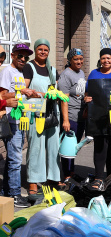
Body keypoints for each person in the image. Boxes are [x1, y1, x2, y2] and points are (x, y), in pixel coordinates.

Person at [23, 39, 61, 202]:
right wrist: (37, 94)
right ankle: (33, 181)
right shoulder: (29, 67)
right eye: (40, 49)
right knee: (36, 147)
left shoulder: (52, 70)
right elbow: (24, 89)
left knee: (53, 146)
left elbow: (57, 90)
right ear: (36, 50)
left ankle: (53, 178)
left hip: (52, 111)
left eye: (46, 49)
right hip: (35, 111)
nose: (43, 52)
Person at [85, 48, 111, 190]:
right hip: (98, 117)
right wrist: (86, 98)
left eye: (108, 58)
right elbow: (88, 91)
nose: (106, 61)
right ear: (100, 59)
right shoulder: (93, 73)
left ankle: (110, 175)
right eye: (103, 58)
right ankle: (98, 177)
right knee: (99, 147)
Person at [0, 43, 34, 207]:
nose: (23, 59)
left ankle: (7, 192)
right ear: (12, 55)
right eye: (19, 55)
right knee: (15, 160)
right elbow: (3, 94)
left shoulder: (19, 72)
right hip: (11, 121)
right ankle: (14, 195)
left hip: (20, 120)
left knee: (13, 159)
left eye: (25, 57)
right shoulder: (8, 71)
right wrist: (22, 92)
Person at [58, 48, 86, 181]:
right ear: (70, 60)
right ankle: (67, 175)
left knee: (74, 147)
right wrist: (66, 120)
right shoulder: (66, 75)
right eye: (76, 59)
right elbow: (64, 99)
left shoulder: (80, 73)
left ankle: (71, 172)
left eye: (81, 58)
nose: (79, 61)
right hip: (70, 116)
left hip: (80, 116)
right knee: (68, 146)